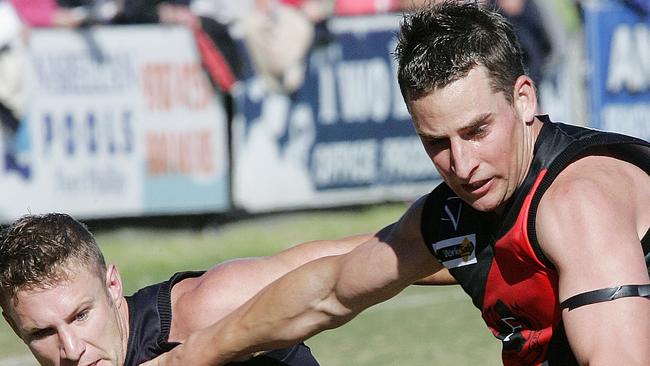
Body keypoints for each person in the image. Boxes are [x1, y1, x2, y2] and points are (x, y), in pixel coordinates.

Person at [140, 2, 650, 366]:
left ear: (523, 100)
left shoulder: (579, 204)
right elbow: (327, 289)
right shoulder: (454, 215)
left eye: (477, 131)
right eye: (437, 143)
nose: (463, 164)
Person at [0, 212, 376, 365]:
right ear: (16, 328)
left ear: (113, 286)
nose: (71, 350)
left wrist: (435, 240)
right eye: (43, 332)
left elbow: (377, 258)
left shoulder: (205, 308)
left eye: (81, 315)